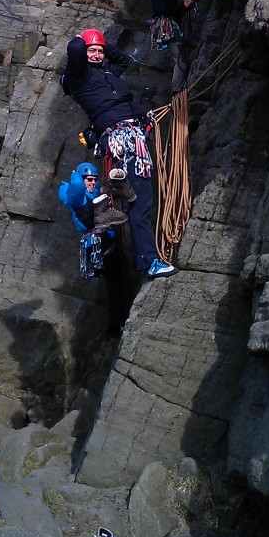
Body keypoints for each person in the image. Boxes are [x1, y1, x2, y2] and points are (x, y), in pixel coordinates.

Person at [60, 28, 177, 279]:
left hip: (133, 135)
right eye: (91, 51)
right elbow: (75, 52)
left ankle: (146, 258)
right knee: (140, 201)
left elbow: (122, 60)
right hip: (118, 138)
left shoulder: (107, 72)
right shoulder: (77, 77)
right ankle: (149, 261)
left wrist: (101, 42)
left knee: (141, 196)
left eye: (100, 52)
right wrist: (85, 39)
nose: (96, 55)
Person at [58, 161, 129, 337]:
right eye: (88, 180)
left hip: (104, 241)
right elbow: (75, 186)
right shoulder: (77, 197)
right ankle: (117, 324)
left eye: (94, 179)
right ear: (81, 180)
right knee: (115, 284)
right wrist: (76, 173)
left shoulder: (91, 194)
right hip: (99, 244)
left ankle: (117, 323)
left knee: (117, 282)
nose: (92, 182)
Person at [147, 0, 194, 96]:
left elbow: (170, 9)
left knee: (187, 48)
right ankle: (177, 92)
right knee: (182, 59)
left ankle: (178, 87)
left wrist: (184, 7)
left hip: (168, 24)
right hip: (164, 25)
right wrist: (182, 6)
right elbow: (163, 9)